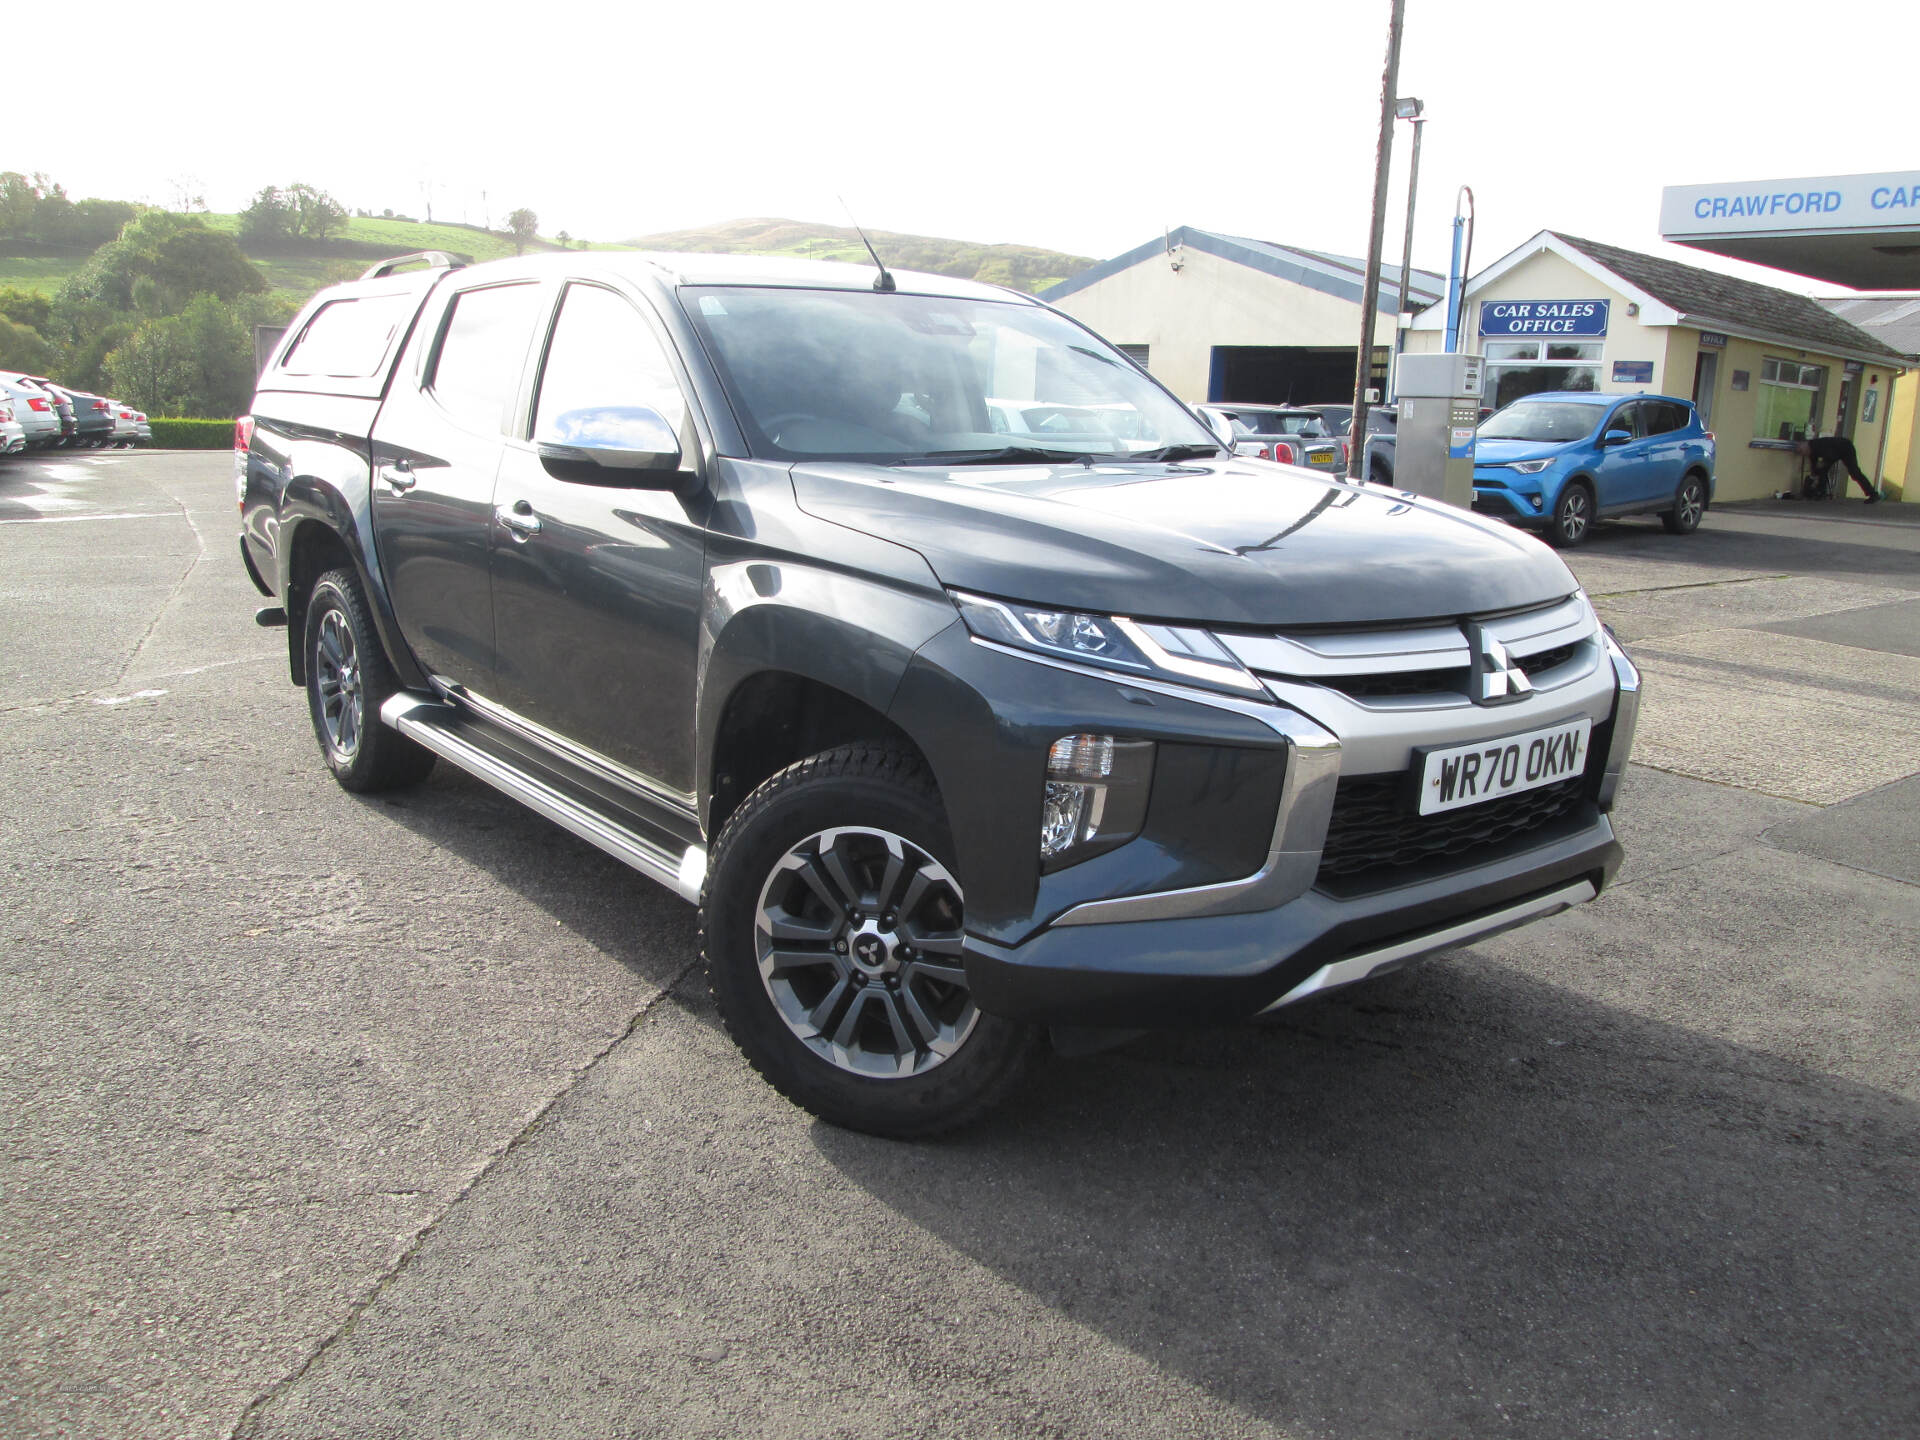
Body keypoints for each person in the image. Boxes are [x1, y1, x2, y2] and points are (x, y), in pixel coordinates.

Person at [1795, 435, 1881, 503]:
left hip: (1845, 447)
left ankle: (1873, 494)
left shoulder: (1817, 445)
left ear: (1805, 447)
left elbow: (1828, 456)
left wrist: (1823, 464)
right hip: (1834, 452)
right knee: (1821, 470)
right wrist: (1814, 473)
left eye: (1802, 452)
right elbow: (1814, 466)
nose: (1804, 455)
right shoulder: (1811, 452)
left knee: (1854, 472)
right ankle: (1821, 492)